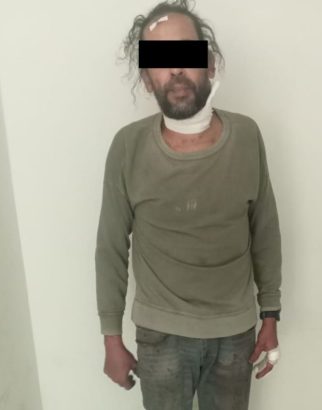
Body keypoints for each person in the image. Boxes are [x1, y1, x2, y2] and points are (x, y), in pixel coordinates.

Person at [95, 1, 282, 409]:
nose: (176, 69)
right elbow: (110, 247)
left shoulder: (247, 136)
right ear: (147, 79)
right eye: (160, 60)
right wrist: (111, 338)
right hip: (160, 336)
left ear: (209, 63)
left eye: (186, 53)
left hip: (235, 334)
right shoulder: (128, 147)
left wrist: (271, 313)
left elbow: (265, 228)